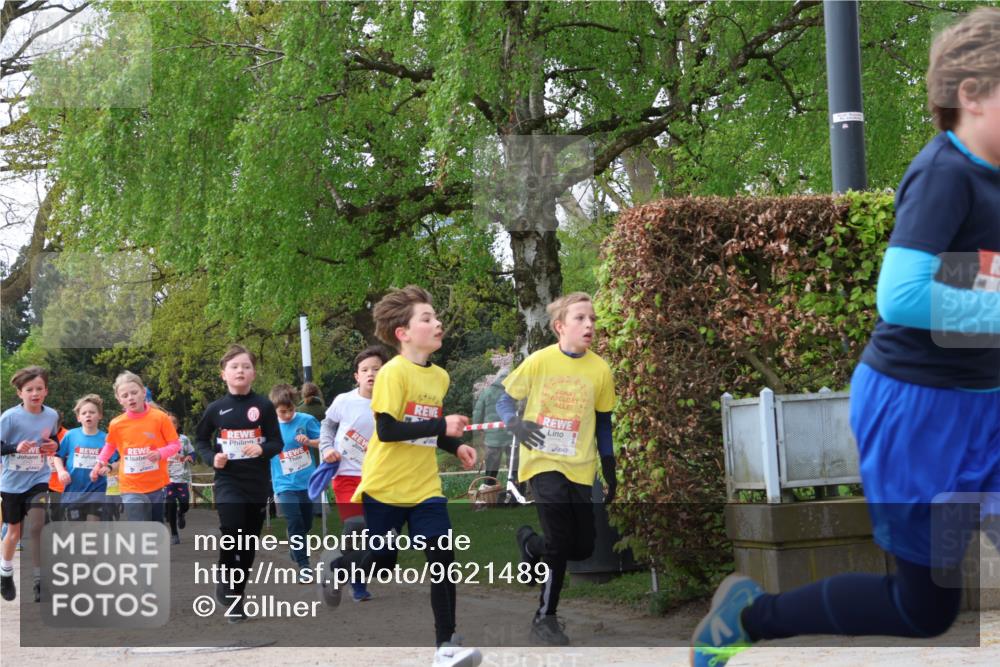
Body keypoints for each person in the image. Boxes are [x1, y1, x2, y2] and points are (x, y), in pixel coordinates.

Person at [691, 8, 1000, 665]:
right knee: (923, 609)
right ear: (971, 94)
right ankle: (750, 616)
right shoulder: (945, 174)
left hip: (984, 405)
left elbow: (977, 280)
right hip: (921, 417)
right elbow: (903, 293)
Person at [335, 286, 482, 667]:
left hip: (424, 487)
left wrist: (454, 445)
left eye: (436, 317)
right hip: (385, 486)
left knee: (442, 558)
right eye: (427, 318)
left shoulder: (441, 377)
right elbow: (387, 430)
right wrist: (442, 425)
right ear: (403, 332)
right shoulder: (392, 373)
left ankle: (445, 646)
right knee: (382, 561)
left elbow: (426, 428)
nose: (438, 323)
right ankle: (339, 565)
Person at [495, 292, 618, 646]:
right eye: (580, 318)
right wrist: (514, 424)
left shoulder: (600, 369)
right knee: (562, 541)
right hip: (542, 462)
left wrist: (609, 468)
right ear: (560, 326)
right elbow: (505, 398)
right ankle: (545, 618)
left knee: (580, 547)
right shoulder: (539, 361)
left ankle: (531, 545)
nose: (590, 324)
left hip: (580, 466)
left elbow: (604, 422)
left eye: (592, 318)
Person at [194, 344, 283, 624]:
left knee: (247, 544)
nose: (240, 371)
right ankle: (229, 586)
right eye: (234, 367)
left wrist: (262, 449)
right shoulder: (216, 409)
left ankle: (237, 593)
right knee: (232, 530)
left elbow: (276, 442)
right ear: (224, 374)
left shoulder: (264, 406)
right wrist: (212, 458)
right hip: (228, 480)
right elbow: (200, 441)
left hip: (256, 483)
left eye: (245, 366)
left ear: (253, 373)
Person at [320, 344, 389, 602]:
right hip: (347, 476)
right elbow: (327, 427)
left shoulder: (392, 402)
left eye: (377, 369)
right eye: (365, 370)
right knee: (356, 528)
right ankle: (356, 583)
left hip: (380, 479)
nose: (371, 374)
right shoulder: (344, 401)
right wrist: (327, 448)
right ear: (357, 376)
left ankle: (338, 565)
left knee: (381, 538)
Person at [0, 366, 59, 602]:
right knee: (14, 532)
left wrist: (53, 446)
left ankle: (39, 580)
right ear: (20, 393)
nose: (34, 393)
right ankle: (5, 573)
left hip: (39, 478)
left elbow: (53, 439)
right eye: (29, 389)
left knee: (38, 526)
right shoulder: (9, 417)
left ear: (46, 391)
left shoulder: (52, 415)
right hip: (13, 483)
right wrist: (15, 448)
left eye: (39, 389)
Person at [90, 372, 180, 523]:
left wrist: (160, 453)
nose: (130, 397)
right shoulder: (117, 424)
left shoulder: (160, 418)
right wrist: (98, 464)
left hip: (155, 484)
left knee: (155, 527)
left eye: (134, 392)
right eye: (124, 395)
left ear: (143, 393)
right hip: (130, 486)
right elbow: (109, 446)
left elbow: (175, 445)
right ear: (119, 400)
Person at [268, 383, 320, 577]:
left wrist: (309, 442)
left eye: (291, 410)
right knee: (295, 520)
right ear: (274, 410)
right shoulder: (269, 427)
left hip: (307, 482)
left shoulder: (306, 420)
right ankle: (304, 565)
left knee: (306, 524)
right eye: (283, 412)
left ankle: (295, 544)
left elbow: (324, 440)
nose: (288, 415)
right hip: (283, 484)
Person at [53, 395, 116, 522]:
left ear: (100, 415)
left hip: (97, 489)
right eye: (84, 413)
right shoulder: (71, 435)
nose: (88, 415)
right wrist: (61, 471)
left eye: (92, 412)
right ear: (78, 418)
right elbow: (57, 456)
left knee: (93, 526)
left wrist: (108, 467)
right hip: (74, 490)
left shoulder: (106, 439)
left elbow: (119, 461)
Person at [472, 369, 512, 482]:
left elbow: (478, 413)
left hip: (492, 438)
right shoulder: (514, 391)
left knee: (491, 469)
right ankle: (517, 492)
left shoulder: (487, 392)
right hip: (512, 436)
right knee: (514, 467)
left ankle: (489, 492)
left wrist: (477, 430)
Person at [164, 414, 196, 544]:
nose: (170, 425)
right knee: (170, 504)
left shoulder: (184, 439)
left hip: (182, 478)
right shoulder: (160, 440)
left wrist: (190, 458)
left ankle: (181, 513)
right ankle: (174, 534)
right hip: (167, 479)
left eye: (173, 423)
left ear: (177, 425)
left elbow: (192, 453)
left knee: (184, 504)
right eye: (168, 423)